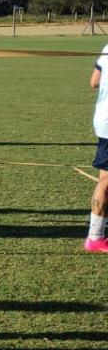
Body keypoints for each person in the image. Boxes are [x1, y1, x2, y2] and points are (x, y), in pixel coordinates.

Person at [84, 41, 108, 252]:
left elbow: (94, 82)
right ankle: (95, 237)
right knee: (107, 182)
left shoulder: (107, 48)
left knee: (105, 179)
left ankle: (97, 230)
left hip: (103, 120)